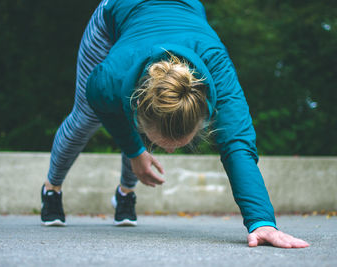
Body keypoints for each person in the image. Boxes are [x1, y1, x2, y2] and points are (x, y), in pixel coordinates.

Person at [41, 0, 309, 248]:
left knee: (146, 129)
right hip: (116, 14)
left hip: (185, 13)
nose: (168, 153)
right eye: (161, 144)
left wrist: (261, 221)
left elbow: (237, 142)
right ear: (136, 109)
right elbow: (107, 107)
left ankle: (125, 194)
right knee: (86, 118)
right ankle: (51, 189)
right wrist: (135, 151)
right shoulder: (107, 80)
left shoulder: (217, 67)